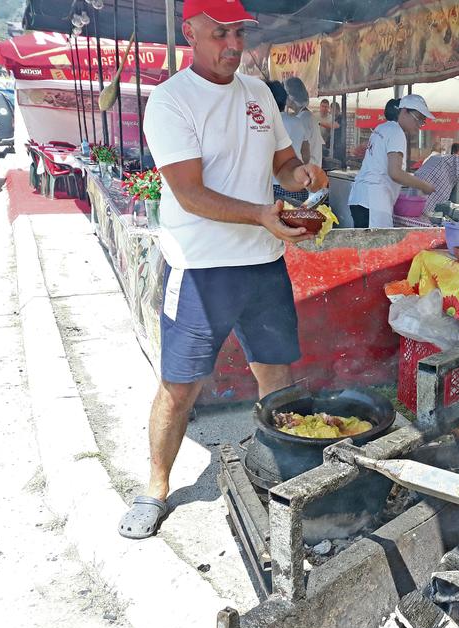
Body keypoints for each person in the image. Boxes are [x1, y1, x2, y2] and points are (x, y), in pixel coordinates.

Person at [117, 0, 328, 539]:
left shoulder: (258, 92)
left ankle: (276, 467)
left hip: (264, 261)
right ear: (191, 33)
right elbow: (188, 193)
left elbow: (281, 161)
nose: (233, 45)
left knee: (275, 376)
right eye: (219, 34)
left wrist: (299, 174)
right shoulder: (171, 101)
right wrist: (262, 213)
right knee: (180, 386)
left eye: (238, 33)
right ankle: (155, 488)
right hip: (202, 267)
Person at [348, 94, 435, 229]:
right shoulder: (396, 132)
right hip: (375, 201)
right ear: (404, 111)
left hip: (360, 198)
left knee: (364, 248)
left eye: (422, 122)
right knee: (377, 248)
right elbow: (395, 173)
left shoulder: (381, 128)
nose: (419, 125)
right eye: (418, 119)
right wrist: (423, 186)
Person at [269, 77, 322, 204]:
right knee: (297, 220)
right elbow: (306, 154)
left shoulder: (267, 123)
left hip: (275, 184)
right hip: (298, 184)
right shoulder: (298, 121)